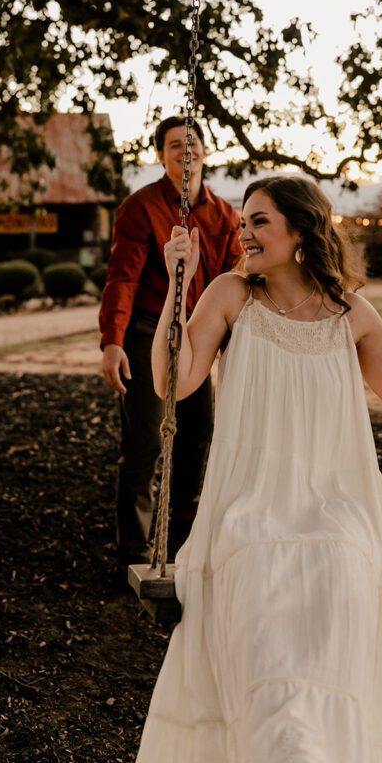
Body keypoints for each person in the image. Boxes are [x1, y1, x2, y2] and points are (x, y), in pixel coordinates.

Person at [123, 174, 382, 763]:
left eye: (260, 222)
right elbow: (174, 382)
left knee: (341, 589)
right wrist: (177, 283)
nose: (243, 233)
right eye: (243, 222)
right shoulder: (229, 296)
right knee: (262, 592)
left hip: (340, 509)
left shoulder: (350, 313)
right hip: (250, 506)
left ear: (302, 232)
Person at [99, 116, 243, 575]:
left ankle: (182, 541)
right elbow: (122, 277)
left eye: (194, 142)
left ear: (206, 150)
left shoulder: (225, 215)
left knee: (197, 433)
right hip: (146, 332)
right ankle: (134, 554)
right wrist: (112, 342)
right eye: (176, 145)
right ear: (162, 154)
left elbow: (235, 278)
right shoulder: (140, 208)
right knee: (145, 441)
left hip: (198, 332)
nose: (187, 151)